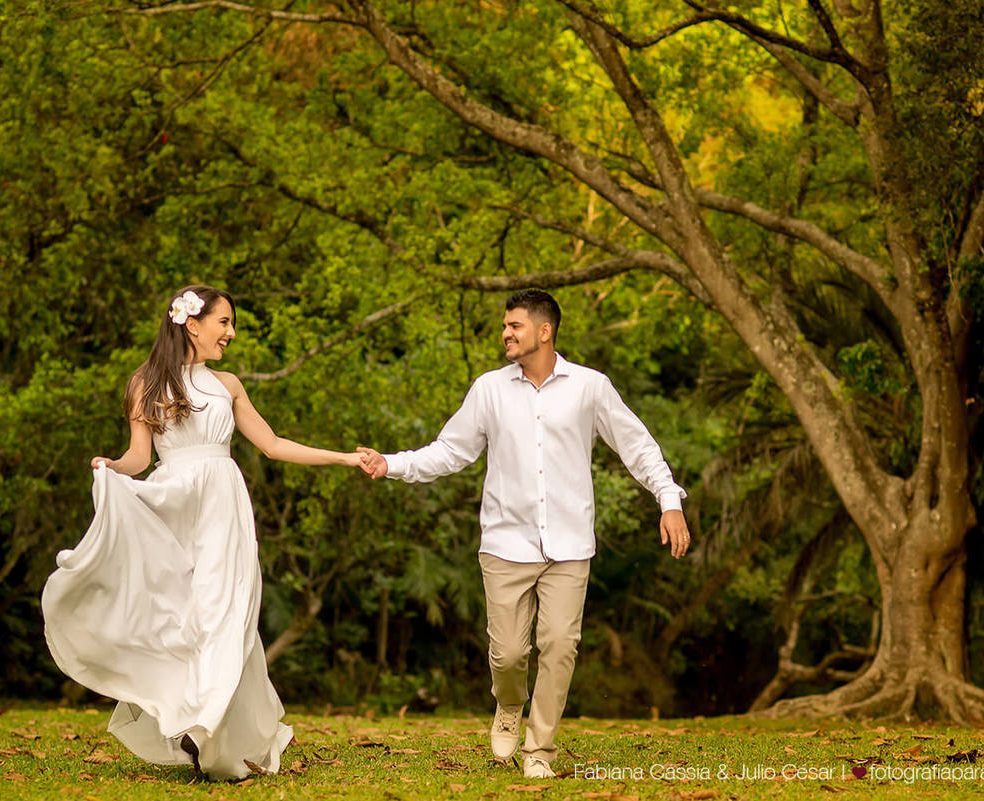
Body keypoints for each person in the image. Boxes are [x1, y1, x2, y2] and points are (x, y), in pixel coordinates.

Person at [358, 289, 690, 779]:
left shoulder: (590, 387)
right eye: (505, 326)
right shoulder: (489, 389)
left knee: (559, 645)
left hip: (570, 543)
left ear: (544, 330)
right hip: (505, 543)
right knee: (510, 652)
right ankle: (508, 704)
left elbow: (635, 445)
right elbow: (450, 451)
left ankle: (540, 750)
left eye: (514, 325)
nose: (506, 333)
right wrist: (392, 465)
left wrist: (669, 499)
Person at [42, 285, 366, 781]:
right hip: (172, 503)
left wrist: (343, 457)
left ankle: (205, 725)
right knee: (182, 616)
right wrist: (112, 468)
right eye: (224, 322)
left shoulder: (228, 384)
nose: (231, 333)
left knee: (225, 611)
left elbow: (273, 444)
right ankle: (190, 718)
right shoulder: (144, 383)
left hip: (222, 506)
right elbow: (139, 457)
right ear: (192, 324)